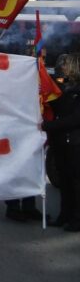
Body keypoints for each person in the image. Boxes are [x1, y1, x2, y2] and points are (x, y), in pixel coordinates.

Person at [44, 53, 80, 231]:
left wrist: (48, 125)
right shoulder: (64, 88)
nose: (60, 67)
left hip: (74, 143)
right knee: (64, 182)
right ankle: (64, 216)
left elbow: (75, 119)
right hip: (60, 142)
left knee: (75, 183)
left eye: (64, 64)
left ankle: (76, 219)